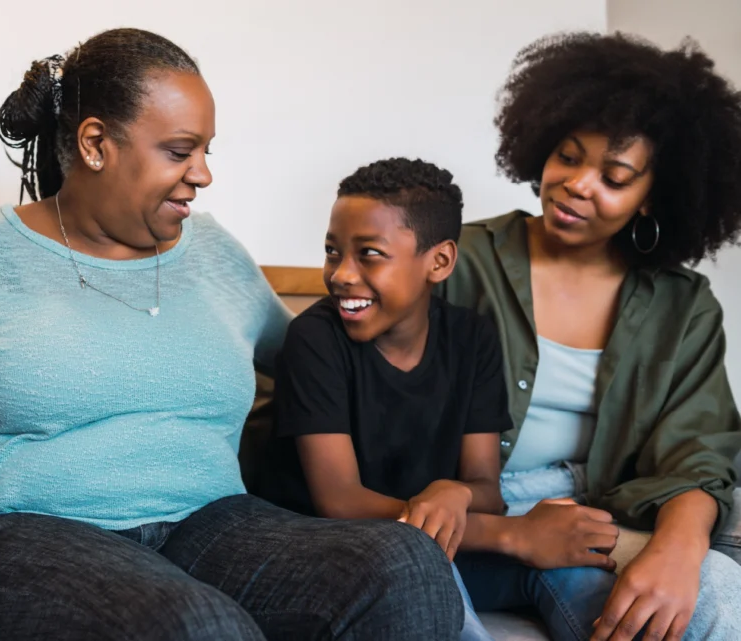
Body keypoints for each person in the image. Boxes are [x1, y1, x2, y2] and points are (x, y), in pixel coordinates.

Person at [0, 29, 460, 640]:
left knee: (407, 564)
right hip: (26, 530)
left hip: (211, 523)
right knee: (196, 624)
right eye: (180, 151)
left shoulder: (211, 252)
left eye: (206, 151)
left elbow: (314, 361)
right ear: (95, 144)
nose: (204, 174)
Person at [438, 32, 741, 641]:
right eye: (568, 157)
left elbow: (699, 452)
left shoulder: (682, 307)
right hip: (468, 507)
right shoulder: (457, 260)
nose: (578, 183)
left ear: (652, 196)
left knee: (721, 596)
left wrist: (680, 551)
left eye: (615, 175)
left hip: (605, 508)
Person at [256, 158, 624, 641]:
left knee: (581, 580)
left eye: (368, 253)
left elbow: (486, 488)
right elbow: (339, 501)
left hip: (439, 534)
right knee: (428, 567)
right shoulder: (315, 340)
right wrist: (514, 535)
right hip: (343, 551)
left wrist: (459, 492)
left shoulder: (472, 339)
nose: (341, 273)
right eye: (332, 251)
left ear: (440, 261)